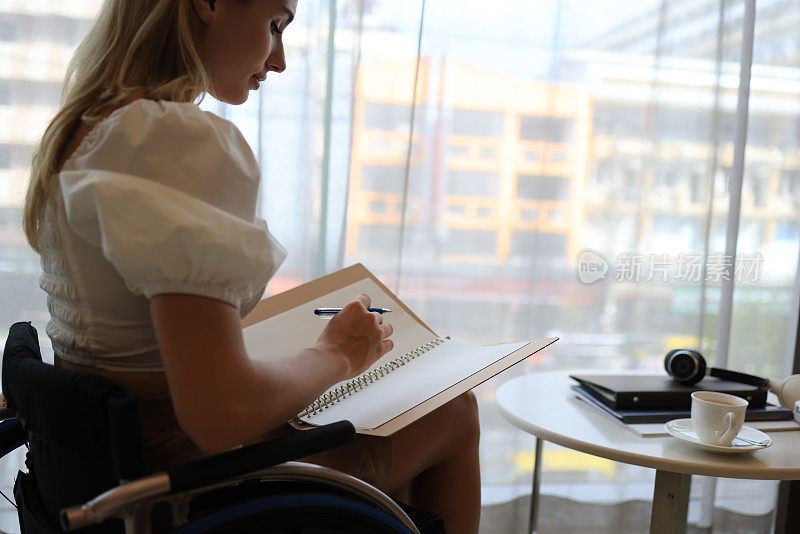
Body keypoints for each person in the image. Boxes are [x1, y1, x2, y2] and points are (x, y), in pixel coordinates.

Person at [22, 1, 481, 532]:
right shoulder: (170, 140)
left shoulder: (84, 129)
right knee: (454, 414)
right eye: (275, 25)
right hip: (190, 485)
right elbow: (222, 414)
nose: (279, 59)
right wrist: (337, 354)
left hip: (115, 477)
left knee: (394, 450)